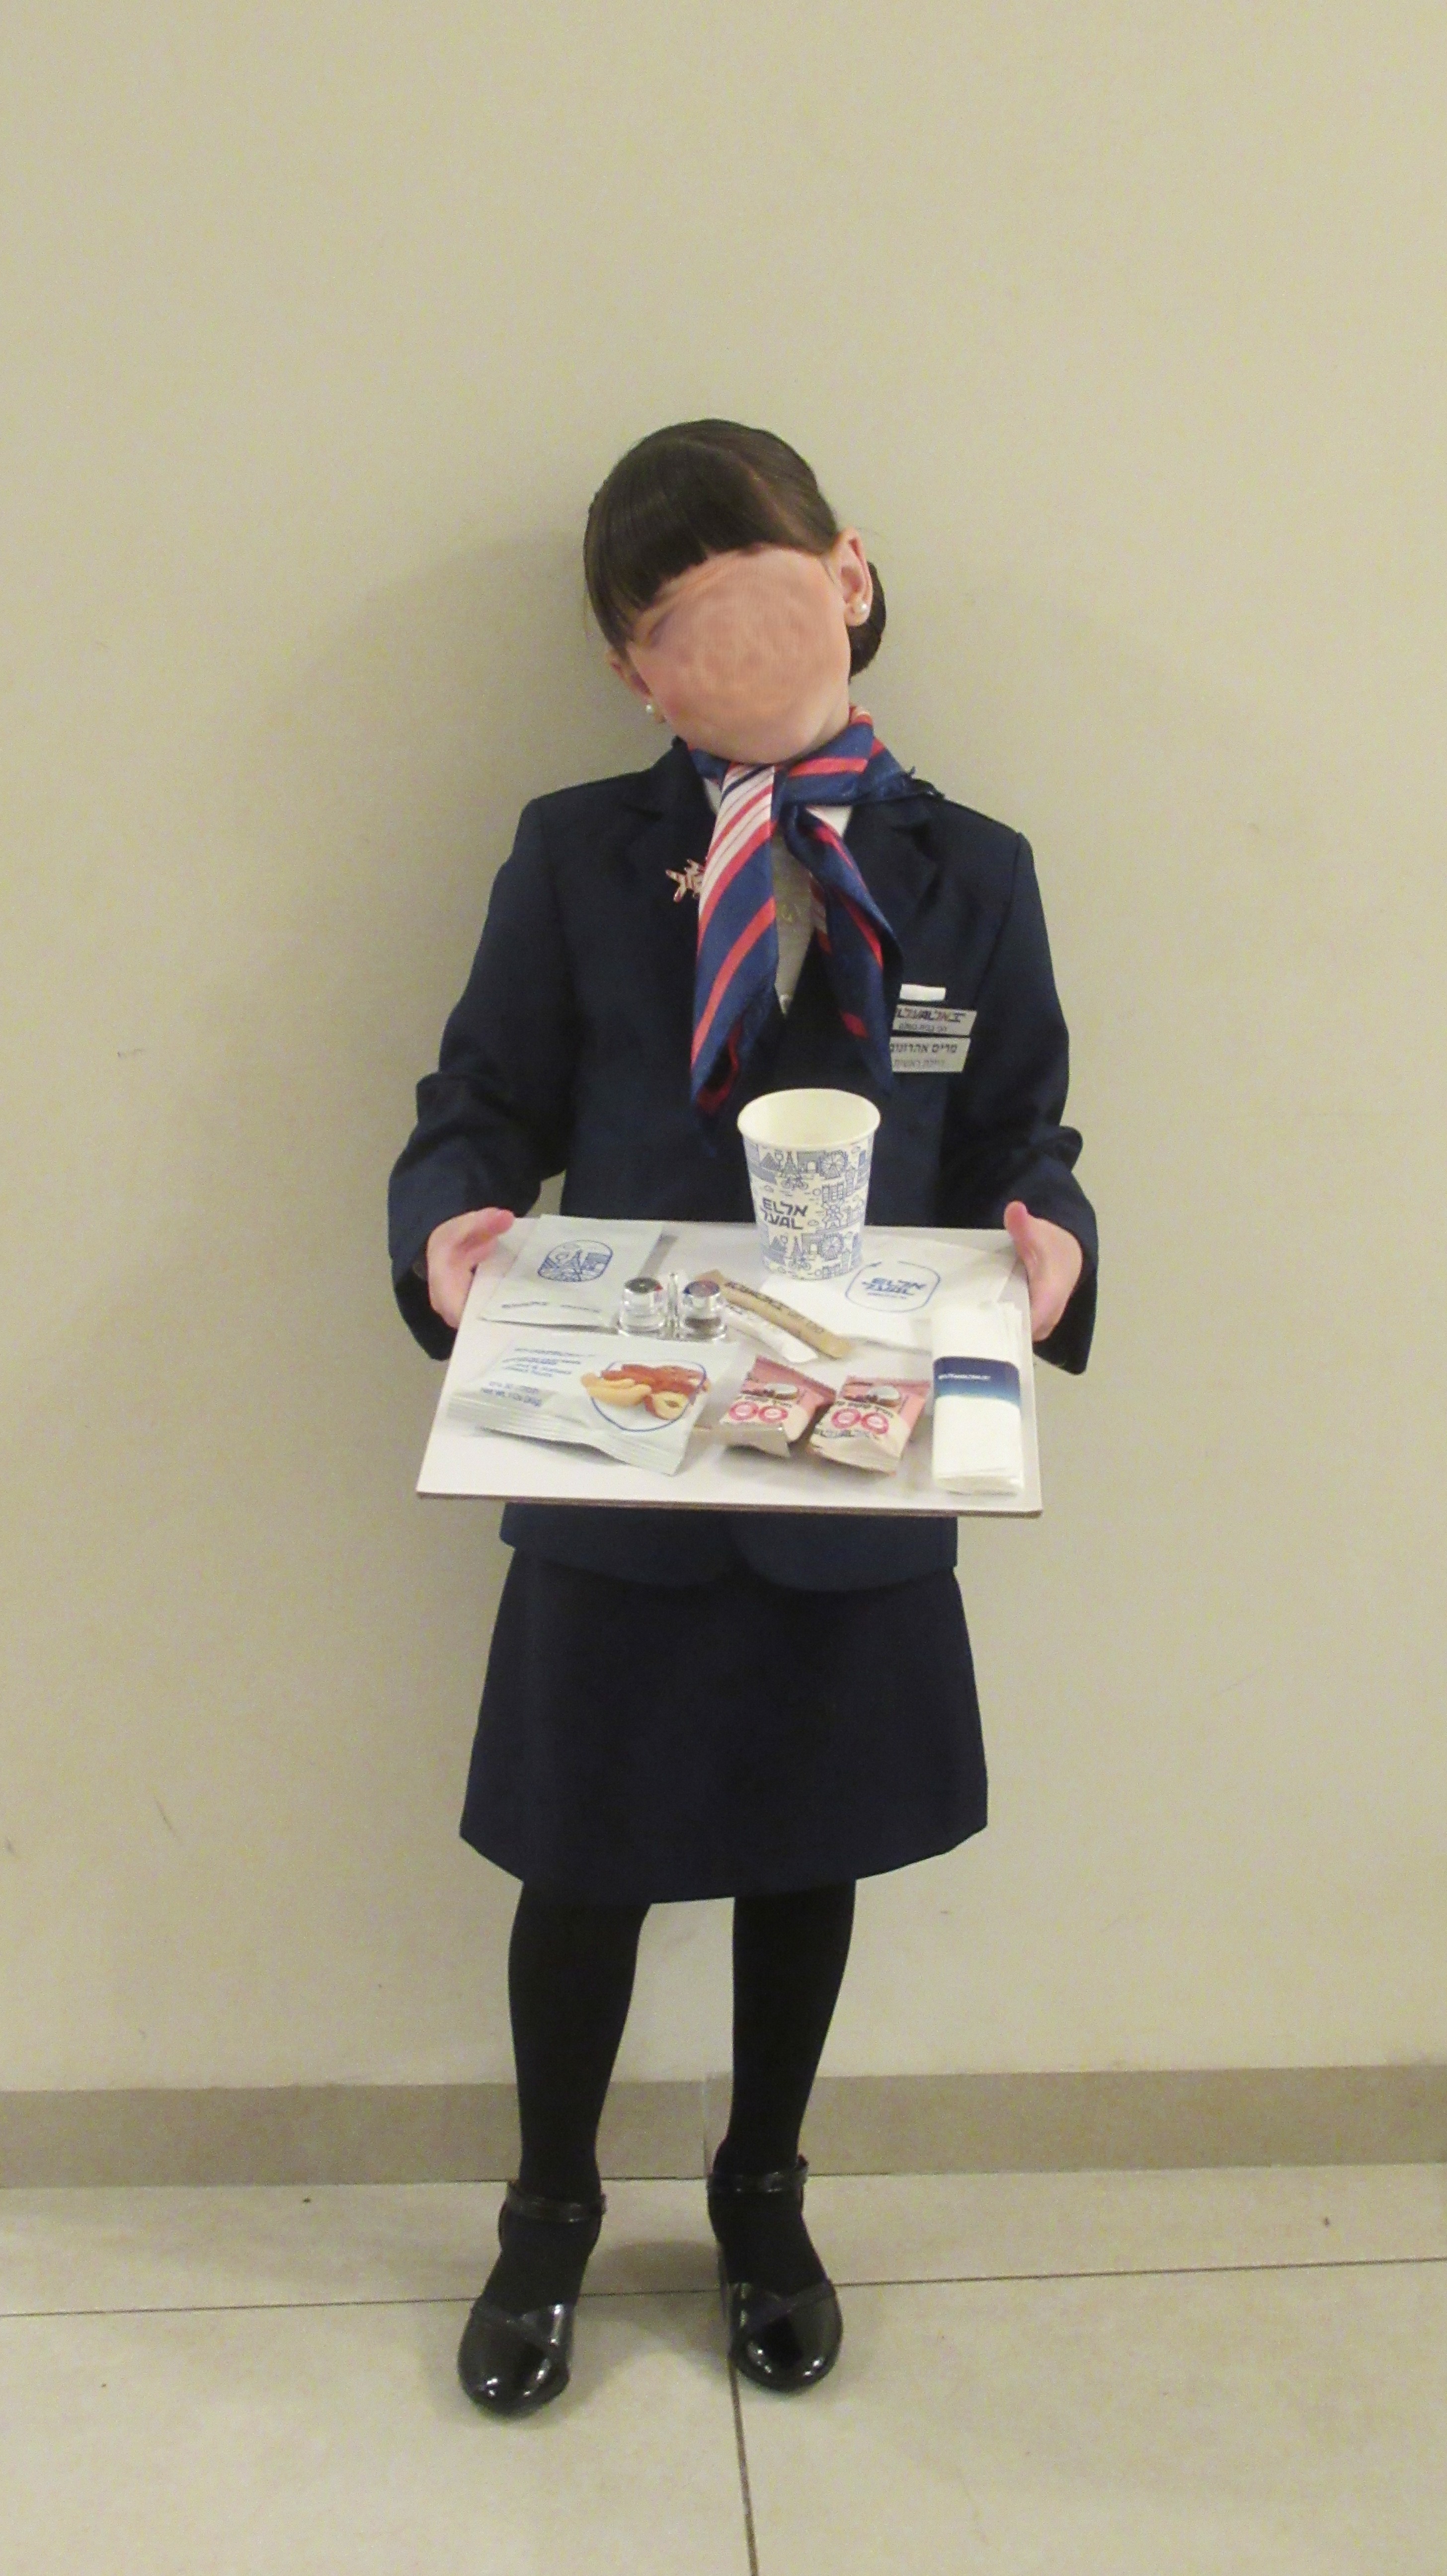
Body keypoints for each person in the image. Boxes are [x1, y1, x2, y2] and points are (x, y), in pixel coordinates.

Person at [388, 419, 1097, 2417]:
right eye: (676, 626)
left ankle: (763, 2196)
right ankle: (547, 2210)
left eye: (766, 594)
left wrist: (1050, 1233)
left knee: (810, 1848)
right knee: (581, 1854)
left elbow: (1022, 1130)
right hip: (614, 1443)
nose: (731, 646)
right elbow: (481, 1102)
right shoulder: (575, 854)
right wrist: (448, 1222)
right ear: (638, 671)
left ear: (848, 578)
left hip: (850, 1445)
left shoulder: (970, 871)